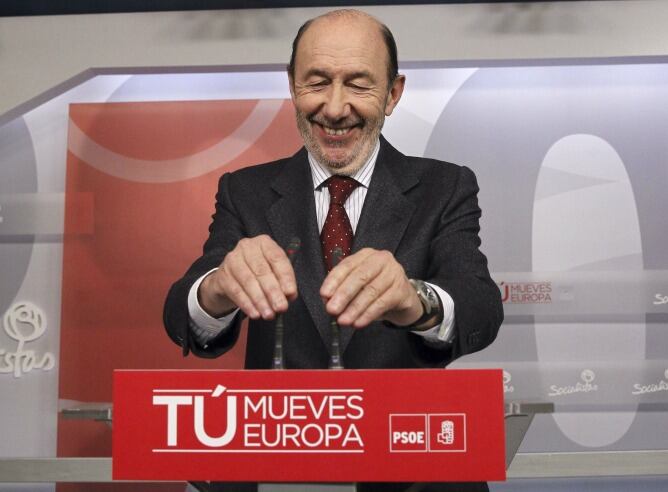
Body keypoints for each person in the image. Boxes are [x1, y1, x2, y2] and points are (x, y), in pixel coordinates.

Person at [164, 9, 502, 492]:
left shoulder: (444, 187)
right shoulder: (246, 192)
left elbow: (480, 309)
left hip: (414, 472)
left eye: (359, 85)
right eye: (317, 82)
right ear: (292, 86)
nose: (336, 107)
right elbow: (181, 317)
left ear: (393, 93)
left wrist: (415, 300)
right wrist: (217, 289)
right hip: (276, 472)